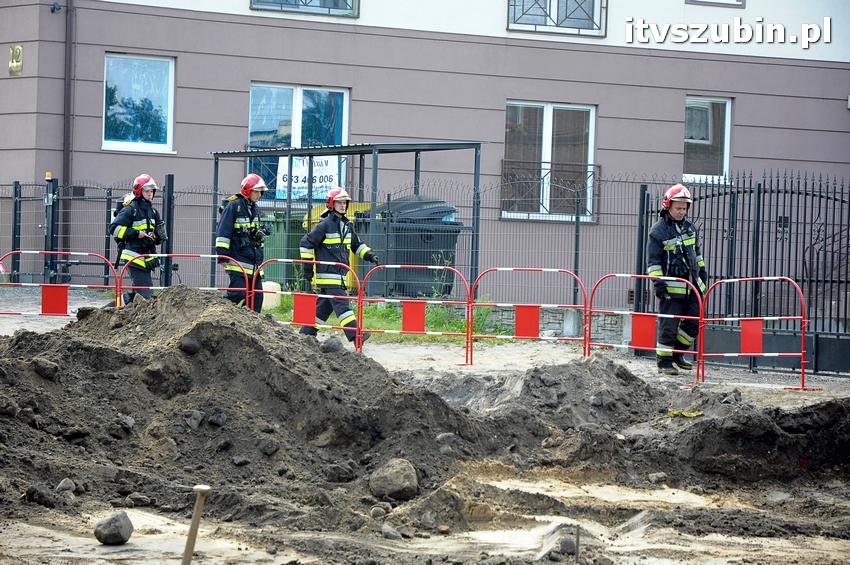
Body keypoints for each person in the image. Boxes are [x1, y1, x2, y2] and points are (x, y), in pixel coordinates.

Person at [299, 187, 380, 344]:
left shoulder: (347, 225)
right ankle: (356, 336)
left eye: (345, 202)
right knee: (343, 305)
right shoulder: (325, 225)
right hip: (329, 277)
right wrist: (308, 269)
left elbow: (356, 245)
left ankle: (305, 335)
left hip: (340, 276)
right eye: (339, 202)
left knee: (323, 309)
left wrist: (369, 255)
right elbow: (305, 243)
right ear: (331, 204)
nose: (343, 205)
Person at [646, 184, 708, 376]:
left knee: (694, 321)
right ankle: (664, 361)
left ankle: (677, 355)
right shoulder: (658, 231)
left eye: (684, 208)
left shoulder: (690, 229)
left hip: (692, 286)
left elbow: (696, 254)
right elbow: (653, 261)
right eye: (678, 207)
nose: (682, 211)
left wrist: (703, 273)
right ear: (668, 206)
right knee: (669, 325)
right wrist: (658, 284)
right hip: (670, 289)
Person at [216, 173, 271, 312]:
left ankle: (252, 329)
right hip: (238, 261)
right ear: (248, 190)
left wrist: (260, 232)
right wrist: (222, 255)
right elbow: (223, 231)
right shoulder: (234, 206)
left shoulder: (254, 208)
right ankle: (217, 313)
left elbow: (251, 232)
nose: (259, 195)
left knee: (257, 299)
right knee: (237, 294)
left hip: (254, 262)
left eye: (261, 192)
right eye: (256, 191)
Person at [109, 173, 166, 305]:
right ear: (139, 190)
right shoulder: (130, 209)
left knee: (138, 293)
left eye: (152, 191)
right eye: (147, 190)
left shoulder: (153, 212)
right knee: (145, 293)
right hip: (132, 255)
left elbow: (160, 235)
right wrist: (136, 233)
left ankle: (109, 310)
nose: (150, 193)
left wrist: (155, 237)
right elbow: (114, 229)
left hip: (146, 256)